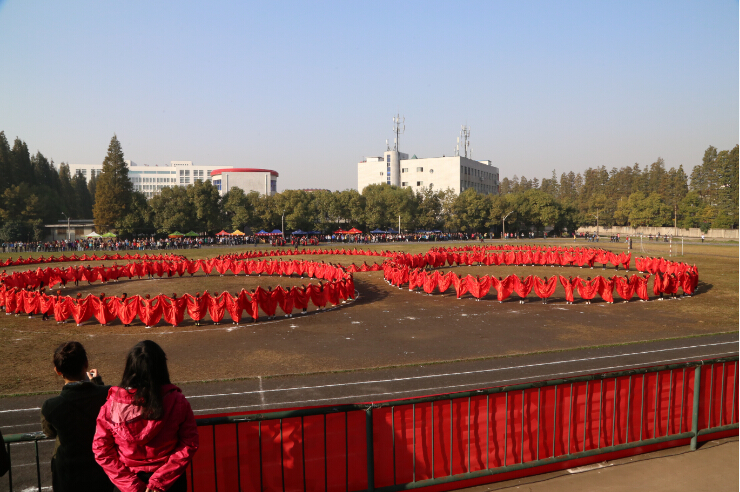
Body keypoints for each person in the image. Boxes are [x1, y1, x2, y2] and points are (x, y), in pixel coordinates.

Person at [94, 340, 198, 492]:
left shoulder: (111, 406)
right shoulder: (177, 401)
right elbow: (189, 443)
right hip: (170, 483)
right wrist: (160, 480)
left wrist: (131, 485)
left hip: (128, 482)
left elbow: (102, 450)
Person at [41, 341, 113, 492]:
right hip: (100, 473)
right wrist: (97, 383)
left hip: (68, 476)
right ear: (86, 364)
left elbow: (49, 432)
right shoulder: (107, 393)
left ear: (57, 371)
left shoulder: (51, 406)